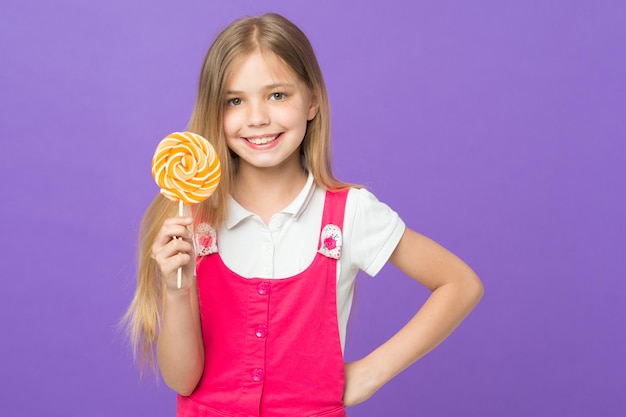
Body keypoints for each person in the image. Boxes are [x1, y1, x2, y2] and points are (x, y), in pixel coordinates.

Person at [125, 12, 483, 417]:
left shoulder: (348, 213)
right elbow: (182, 380)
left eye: (277, 95)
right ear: (215, 110)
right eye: (235, 101)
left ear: (312, 100)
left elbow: (459, 283)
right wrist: (177, 290)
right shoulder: (193, 220)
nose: (257, 117)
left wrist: (371, 373)